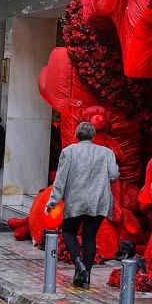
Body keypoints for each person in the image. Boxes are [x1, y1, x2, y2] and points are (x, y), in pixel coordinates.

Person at [45, 121, 119, 289]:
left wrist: (52, 202)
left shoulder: (69, 152)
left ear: (77, 135)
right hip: (99, 200)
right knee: (89, 236)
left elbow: (60, 180)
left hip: (76, 200)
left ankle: (79, 264)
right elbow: (114, 175)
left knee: (68, 232)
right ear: (93, 136)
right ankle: (85, 277)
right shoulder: (107, 153)